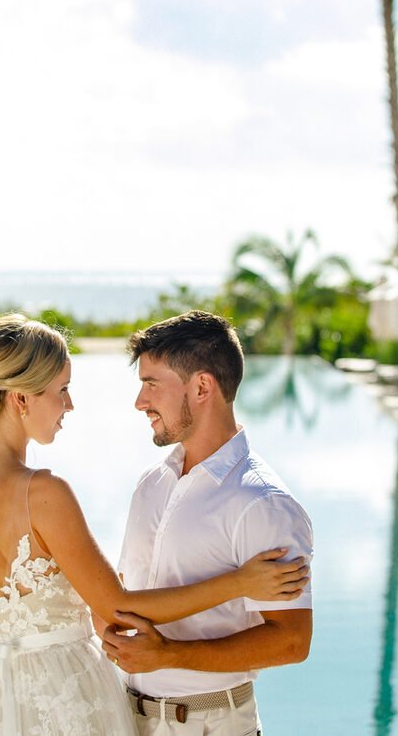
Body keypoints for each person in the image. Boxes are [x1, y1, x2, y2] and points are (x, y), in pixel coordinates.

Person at [0, 314, 309, 736]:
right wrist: (238, 583)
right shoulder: (47, 492)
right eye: (62, 391)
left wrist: (8, 634)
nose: (70, 405)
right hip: (67, 695)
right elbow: (116, 606)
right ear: (21, 399)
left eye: (151, 383)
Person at [103, 310, 314, 736]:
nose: (140, 402)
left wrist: (169, 654)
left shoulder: (262, 503)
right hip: (125, 718)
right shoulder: (151, 483)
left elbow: (291, 642)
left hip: (210, 726)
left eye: (151, 384)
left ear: (202, 386)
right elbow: (125, 598)